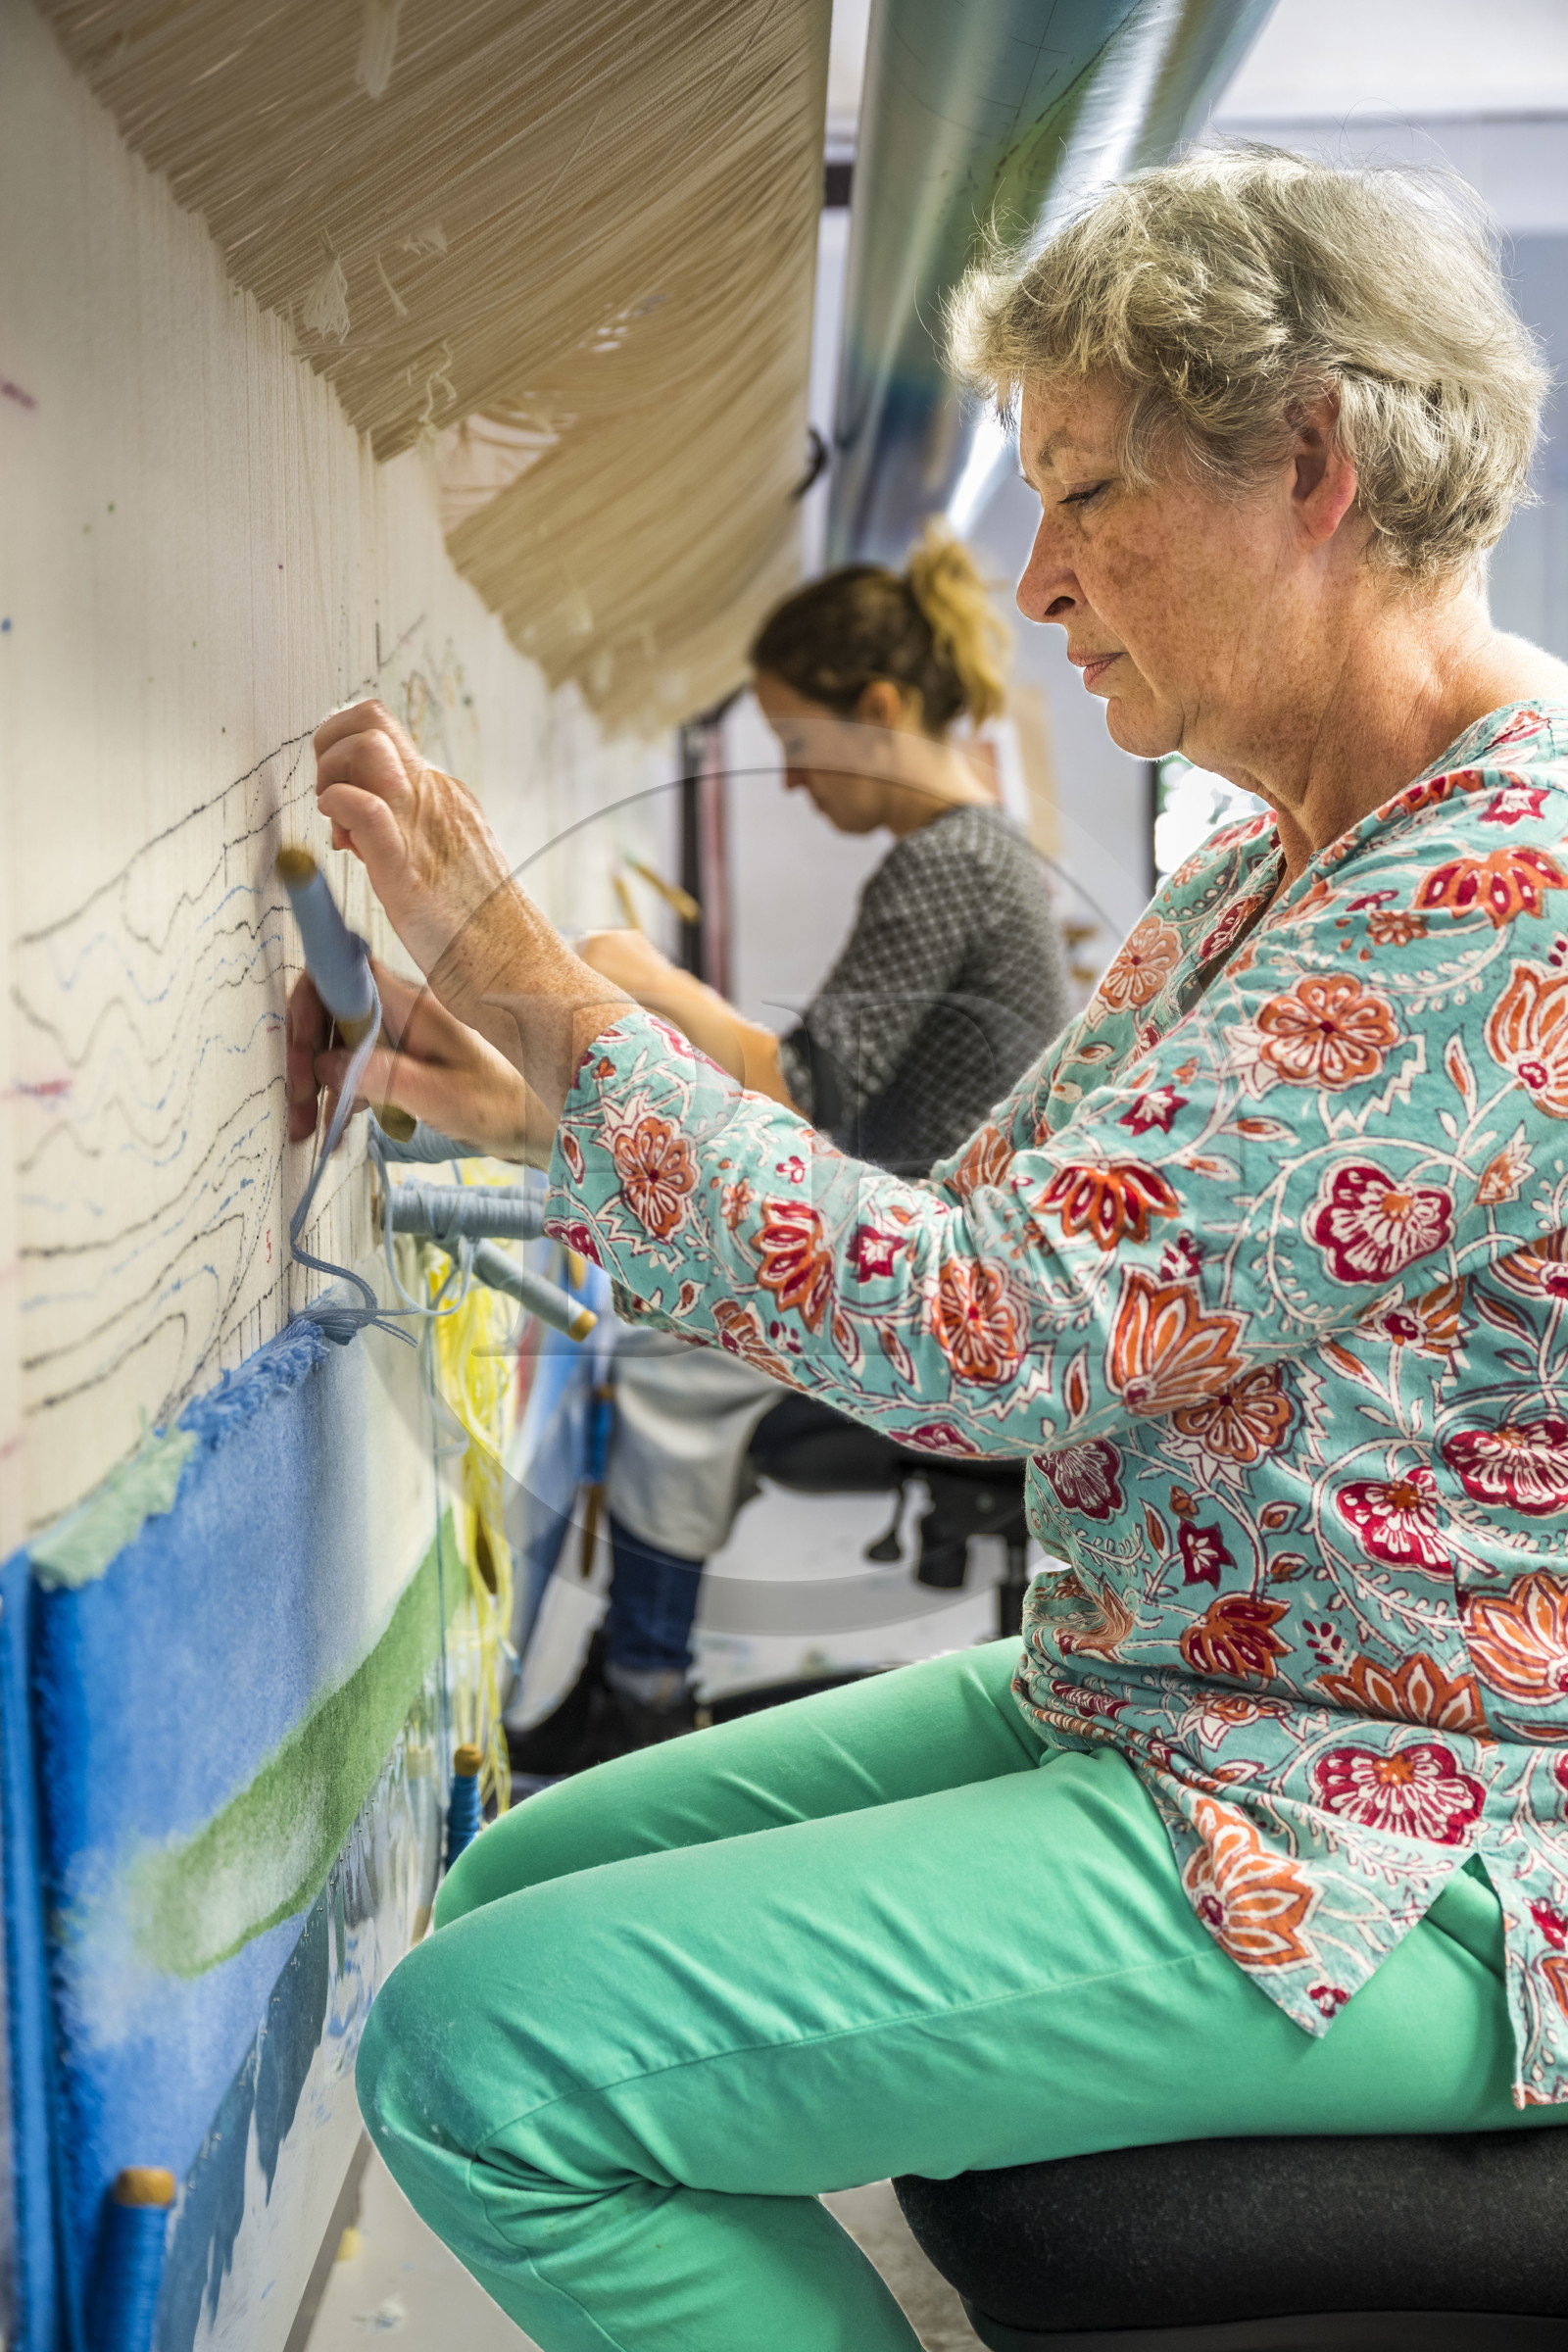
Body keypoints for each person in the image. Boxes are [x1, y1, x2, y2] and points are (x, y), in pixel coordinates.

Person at [288, 143, 1568, 2352]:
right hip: (1180, 1689)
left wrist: (567, 1011)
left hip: (1400, 1814)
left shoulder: (1500, 890)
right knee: (519, 1880)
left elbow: (984, 1340)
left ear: (1311, 463)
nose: (1039, 584)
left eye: (1080, 494)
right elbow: (959, 1232)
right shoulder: (1268, 869)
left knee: (478, 2059)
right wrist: (556, 1102)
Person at [512, 531, 1069, 1770]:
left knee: (668, 1358)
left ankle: (641, 1694)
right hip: (938, 1231)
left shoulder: (950, 864)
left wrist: (644, 987)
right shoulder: (974, 858)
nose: (790, 783)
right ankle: (634, 1674)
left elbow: (806, 1085)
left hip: (940, 1272)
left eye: (795, 741)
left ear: (875, 712)